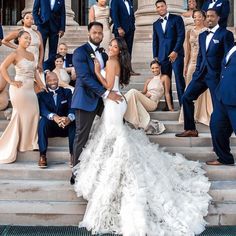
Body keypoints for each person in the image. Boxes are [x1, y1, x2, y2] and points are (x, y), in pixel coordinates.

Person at [73, 37, 210, 236]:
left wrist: (95, 71)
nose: (111, 48)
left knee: (114, 138)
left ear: (119, 51)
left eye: (114, 47)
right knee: (113, 138)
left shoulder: (111, 62)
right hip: (115, 103)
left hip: (113, 102)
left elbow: (109, 86)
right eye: (110, 45)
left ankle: (117, 173)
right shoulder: (114, 61)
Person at [71, 22, 122, 184]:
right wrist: (107, 93)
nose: (98, 35)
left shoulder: (104, 55)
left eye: (100, 33)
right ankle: (75, 172)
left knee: (121, 125)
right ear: (89, 33)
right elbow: (84, 78)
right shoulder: (79, 52)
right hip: (85, 99)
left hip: (102, 100)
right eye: (95, 33)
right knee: (82, 136)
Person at [176, 9, 234, 138]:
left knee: (218, 107)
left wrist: (224, 77)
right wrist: (197, 71)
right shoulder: (202, 36)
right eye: (207, 16)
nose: (209, 19)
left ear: (218, 18)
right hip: (201, 75)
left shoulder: (226, 34)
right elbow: (201, 56)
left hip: (216, 77)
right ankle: (190, 129)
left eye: (212, 16)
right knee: (186, 97)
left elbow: (229, 57)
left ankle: (221, 137)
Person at [0, 30, 45, 164]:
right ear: (19, 39)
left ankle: (30, 143)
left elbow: (35, 72)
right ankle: (17, 144)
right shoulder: (14, 54)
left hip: (30, 89)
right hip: (19, 89)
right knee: (19, 115)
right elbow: (2, 67)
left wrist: (42, 85)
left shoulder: (31, 54)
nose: (28, 41)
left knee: (34, 113)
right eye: (26, 38)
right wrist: (10, 81)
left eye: (29, 39)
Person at [179, 10, 212, 126]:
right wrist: (185, 66)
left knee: (203, 90)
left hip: (204, 64)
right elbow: (187, 51)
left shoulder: (208, 32)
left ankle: (201, 115)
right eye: (194, 17)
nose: (196, 19)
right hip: (192, 63)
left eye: (199, 17)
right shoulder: (189, 32)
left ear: (204, 18)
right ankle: (190, 116)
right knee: (189, 89)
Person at [37, 72, 75, 168]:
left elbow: (72, 107)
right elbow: (43, 110)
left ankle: (73, 154)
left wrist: (69, 118)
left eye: (55, 79)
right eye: (50, 80)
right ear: (46, 81)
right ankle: (42, 155)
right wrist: (54, 117)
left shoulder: (67, 92)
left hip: (65, 125)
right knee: (42, 122)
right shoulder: (41, 95)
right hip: (51, 127)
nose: (53, 82)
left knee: (74, 123)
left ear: (58, 80)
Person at [124, 59, 172, 134]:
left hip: (152, 104)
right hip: (146, 101)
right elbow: (143, 93)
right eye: (152, 68)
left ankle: (122, 106)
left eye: (156, 67)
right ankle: (124, 108)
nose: (154, 70)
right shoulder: (149, 80)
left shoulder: (165, 78)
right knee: (133, 95)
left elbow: (167, 93)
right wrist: (145, 95)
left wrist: (170, 108)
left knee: (132, 91)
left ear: (160, 67)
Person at [153, 0, 186, 108]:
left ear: (166, 6)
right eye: (158, 7)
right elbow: (155, 41)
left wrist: (175, 51)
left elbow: (181, 36)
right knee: (166, 82)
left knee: (179, 80)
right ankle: (169, 104)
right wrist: (156, 56)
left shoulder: (177, 19)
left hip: (176, 55)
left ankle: (183, 106)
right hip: (162, 57)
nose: (160, 8)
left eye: (162, 6)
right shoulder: (156, 24)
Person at [206, 45, 236, 166]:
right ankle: (224, 158)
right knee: (216, 126)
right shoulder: (232, 47)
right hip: (222, 97)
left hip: (234, 99)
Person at [2, 12, 44, 93]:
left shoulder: (37, 33)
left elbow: (41, 48)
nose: (29, 20)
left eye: (32, 18)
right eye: (27, 18)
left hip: (36, 61)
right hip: (24, 61)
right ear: (23, 20)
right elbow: (4, 41)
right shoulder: (19, 32)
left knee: (40, 88)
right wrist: (17, 48)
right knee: (28, 87)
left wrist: (40, 62)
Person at [110, 0, 139, 75]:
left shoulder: (129, 1)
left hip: (130, 29)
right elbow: (114, 15)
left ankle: (129, 70)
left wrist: (133, 25)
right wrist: (119, 27)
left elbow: (131, 15)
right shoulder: (115, 1)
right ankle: (120, 70)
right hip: (120, 30)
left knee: (129, 50)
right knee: (120, 50)